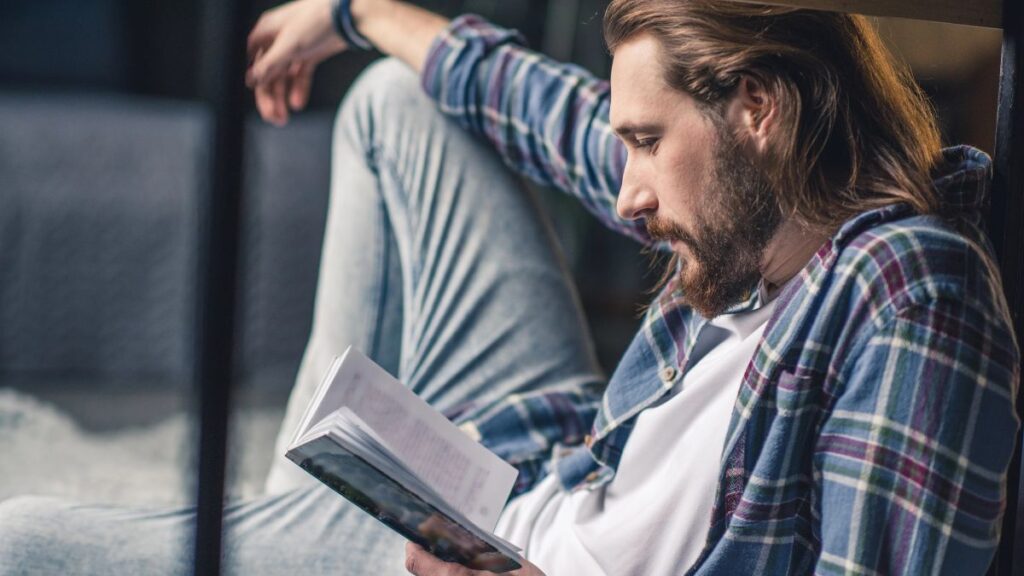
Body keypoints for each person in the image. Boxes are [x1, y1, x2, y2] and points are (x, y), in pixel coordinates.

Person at [0, 0, 1018, 574]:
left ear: (758, 108)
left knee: (22, 541)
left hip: (497, 556)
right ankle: (300, 505)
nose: (623, 194)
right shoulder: (757, 224)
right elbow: (551, 112)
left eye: (646, 144)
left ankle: (301, 531)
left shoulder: (905, 289)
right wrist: (355, 12)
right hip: (525, 484)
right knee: (399, 101)